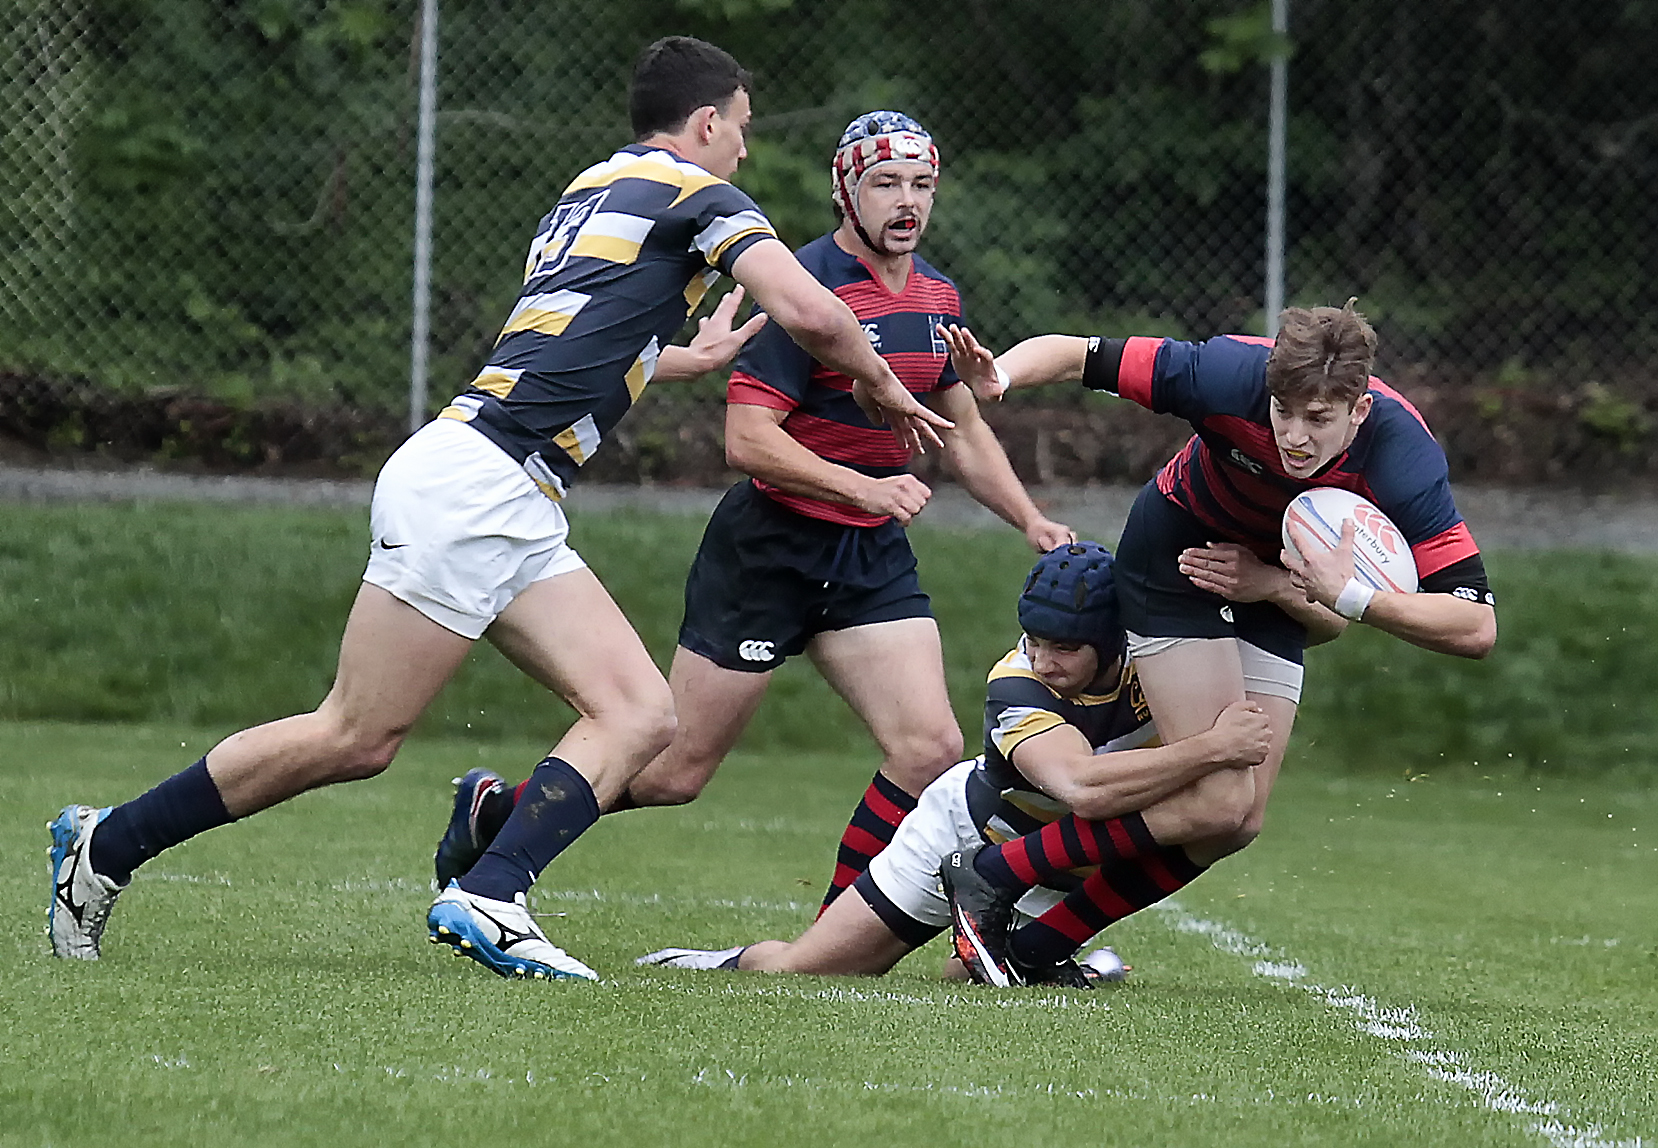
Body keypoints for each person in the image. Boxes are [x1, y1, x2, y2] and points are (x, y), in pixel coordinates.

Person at [46, 36, 951, 982]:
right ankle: (115, 847)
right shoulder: (703, 196)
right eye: (743, 130)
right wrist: (880, 382)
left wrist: (678, 357)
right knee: (356, 734)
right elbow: (813, 315)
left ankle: (481, 886)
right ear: (708, 122)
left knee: (639, 714)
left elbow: (570, 329)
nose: (746, 154)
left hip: (495, 485)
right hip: (482, 484)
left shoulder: (591, 188)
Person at [431, 111, 1074, 919]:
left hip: (870, 556)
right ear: (846, 191)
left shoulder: (939, 297)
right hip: (769, 548)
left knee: (930, 749)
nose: (906, 202)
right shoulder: (806, 291)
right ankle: (498, 811)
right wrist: (866, 489)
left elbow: (962, 429)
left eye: (921, 185)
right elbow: (748, 440)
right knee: (674, 772)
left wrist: (1030, 520)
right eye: (885, 183)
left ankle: (843, 931)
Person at [936, 302, 1498, 984]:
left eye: (1317, 419)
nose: (1293, 435)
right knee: (1218, 801)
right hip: (1177, 560)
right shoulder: (1227, 373)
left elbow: (1475, 626)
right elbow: (1083, 352)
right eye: (1282, 411)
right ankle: (992, 874)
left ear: (1358, 411)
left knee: (1238, 821)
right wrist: (1002, 376)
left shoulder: (1403, 456)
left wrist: (1342, 595)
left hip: (1273, 584)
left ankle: (1033, 949)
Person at [632, 542, 1275, 986]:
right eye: (1036, 639)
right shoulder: (1017, 683)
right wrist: (1211, 748)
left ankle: (1046, 953)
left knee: (970, 982)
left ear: (1112, 643)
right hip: (969, 836)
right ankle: (723, 962)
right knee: (819, 969)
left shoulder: (1157, 668)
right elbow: (1082, 788)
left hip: (1067, 862)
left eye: (1066, 648)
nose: (1044, 659)